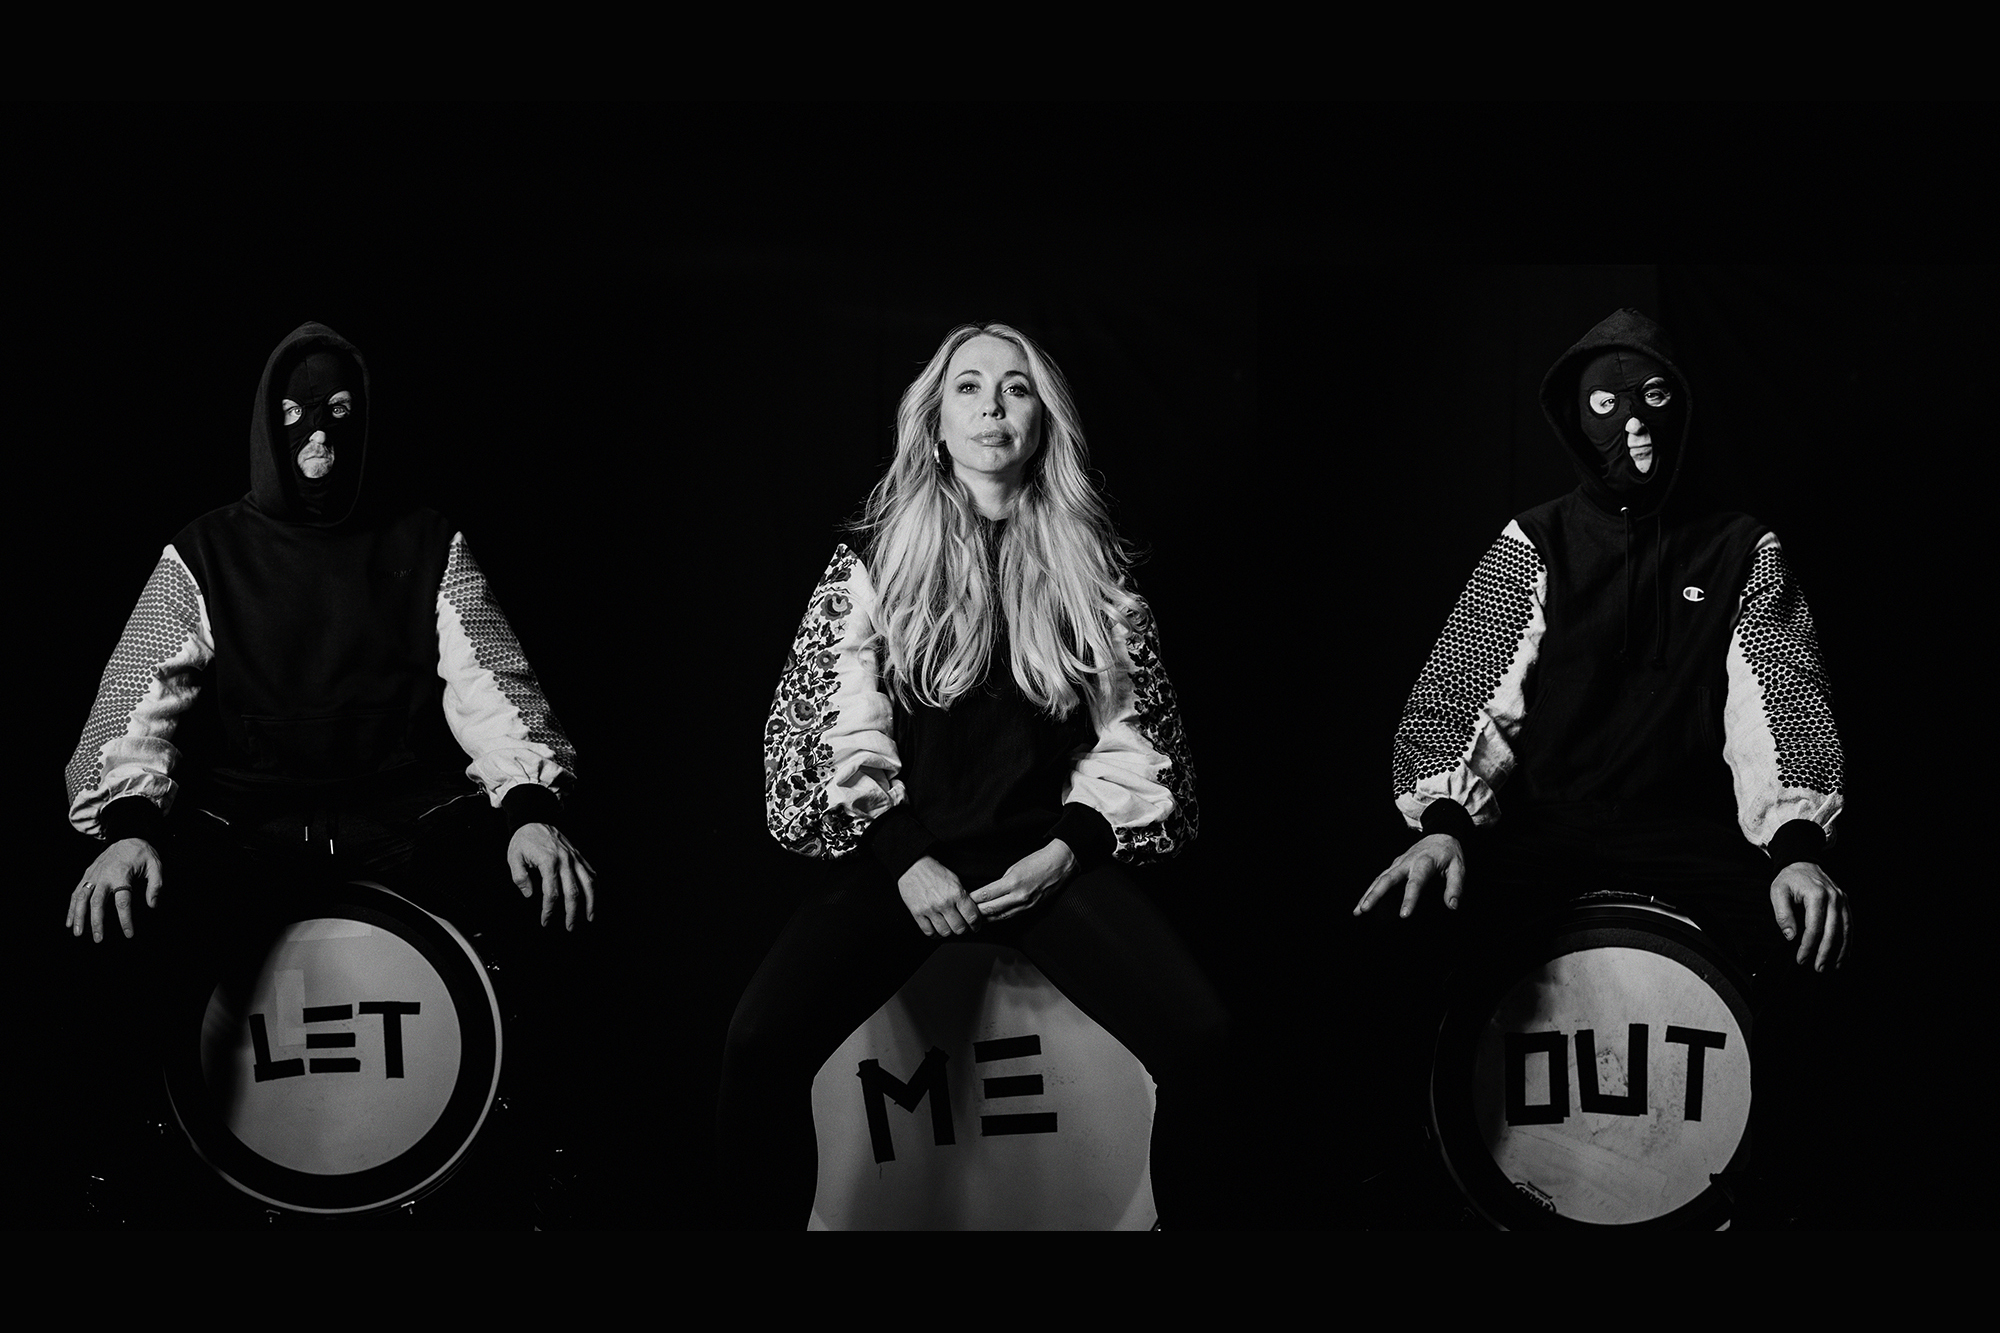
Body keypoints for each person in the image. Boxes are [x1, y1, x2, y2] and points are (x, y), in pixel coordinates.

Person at [62, 321, 595, 1219]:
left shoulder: (430, 541)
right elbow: (133, 713)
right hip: (246, 831)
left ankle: (539, 1175)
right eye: (300, 416)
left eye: (341, 415)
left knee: (550, 891)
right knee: (117, 918)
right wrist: (128, 831)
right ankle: (131, 1185)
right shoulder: (203, 553)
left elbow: (494, 691)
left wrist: (529, 809)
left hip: (402, 823)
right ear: (270, 425)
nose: (320, 436)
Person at [721, 322, 1228, 1229]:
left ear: (1042, 422)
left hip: (1043, 864)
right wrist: (907, 859)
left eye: (1016, 388)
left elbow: (1135, 746)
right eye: (969, 387)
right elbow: (834, 731)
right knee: (756, 1045)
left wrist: (1067, 852)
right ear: (937, 422)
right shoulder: (875, 560)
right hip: (908, 864)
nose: (992, 405)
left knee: (1206, 1043)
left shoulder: (1093, 570)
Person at [1354, 307, 1850, 1218]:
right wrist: (1443, 826)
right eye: (1608, 401)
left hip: (1687, 831)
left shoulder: (1742, 545)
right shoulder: (1534, 540)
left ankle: (1776, 1200)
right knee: (1406, 930)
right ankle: (1422, 1187)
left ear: (1684, 409)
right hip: (1551, 826)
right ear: (1572, 417)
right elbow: (1471, 689)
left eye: (1654, 397)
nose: (1632, 421)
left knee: (1815, 947)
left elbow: (1776, 700)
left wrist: (1797, 844)